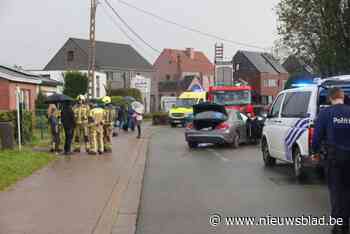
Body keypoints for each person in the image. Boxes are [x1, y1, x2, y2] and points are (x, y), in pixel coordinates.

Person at [312, 87, 350, 234]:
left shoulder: (325, 113)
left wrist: (315, 152)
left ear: (330, 99)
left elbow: (317, 137)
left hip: (333, 159)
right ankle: (346, 223)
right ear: (343, 97)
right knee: (347, 190)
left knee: (336, 191)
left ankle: (337, 225)